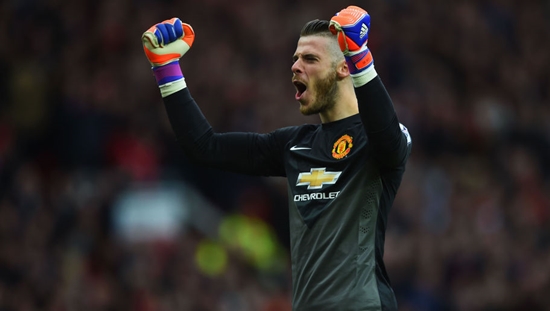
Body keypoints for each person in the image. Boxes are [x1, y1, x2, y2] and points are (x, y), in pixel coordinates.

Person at [141, 5, 411, 310]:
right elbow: (205, 147)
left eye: (310, 59)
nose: (295, 66)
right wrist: (166, 69)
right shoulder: (294, 145)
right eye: (295, 58)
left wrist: (361, 57)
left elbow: (389, 141)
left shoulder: (379, 138)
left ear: (344, 68)